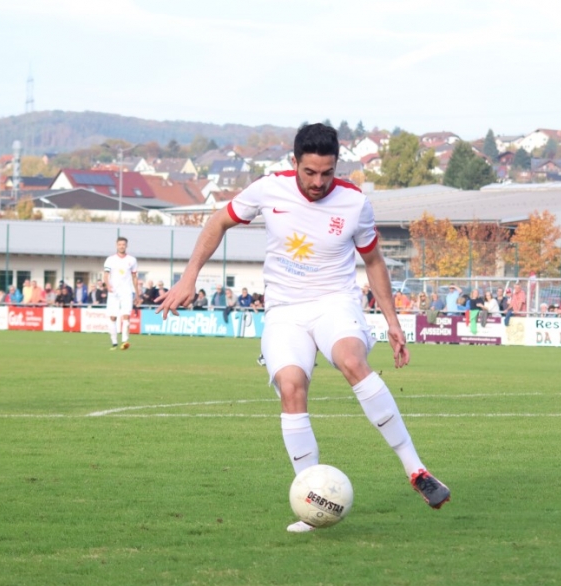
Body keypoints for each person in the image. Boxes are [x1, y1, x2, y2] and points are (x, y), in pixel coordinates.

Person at [156, 123, 449, 534]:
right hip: (284, 311)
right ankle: (313, 500)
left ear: (336, 166)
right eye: (309, 172)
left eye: (327, 173)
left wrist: (393, 322)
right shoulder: (268, 189)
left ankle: (416, 470)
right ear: (294, 162)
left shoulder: (354, 203)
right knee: (292, 386)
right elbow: (217, 222)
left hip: (335, 302)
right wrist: (188, 278)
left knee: (352, 360)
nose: (317, 182)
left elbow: (374, 261)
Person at [103, 236, 140, 350]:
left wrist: (137, 293)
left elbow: (134, 277)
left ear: (126, 246)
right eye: (119, 244)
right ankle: (114, 342)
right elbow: (106, 275)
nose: (121, 246)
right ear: (116, 245)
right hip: (113, 291)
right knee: (112, 317)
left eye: (123, 244)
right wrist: (107, 285)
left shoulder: (132, 260)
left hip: (126, 291)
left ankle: (125, 341)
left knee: (126, 316)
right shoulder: (110, 259)